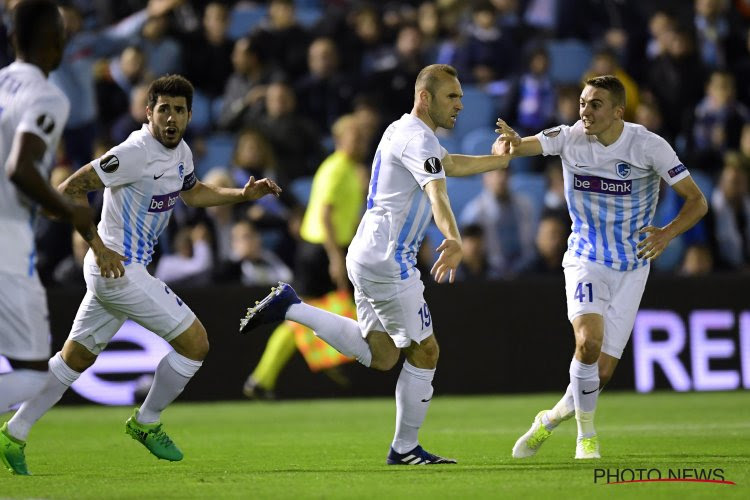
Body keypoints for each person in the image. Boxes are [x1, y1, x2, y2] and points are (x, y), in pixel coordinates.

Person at [0, 74, 281, 475]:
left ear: (188, 116)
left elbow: (192, 191)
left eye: (179, 111)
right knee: (196, 343)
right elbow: (71, 189)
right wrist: (98, 246)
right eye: (163, 109)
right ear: (148, 113)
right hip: (117, 268)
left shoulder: (181, 151)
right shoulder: (133, 153)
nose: (171, 118)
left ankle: (15, 432)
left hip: (124, 269)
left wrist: (241, 195)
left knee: (73, 359)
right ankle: (146, 422)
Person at [240, 64, 511, 465]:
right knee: (426, 352)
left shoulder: (403, 131)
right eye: (451, 97)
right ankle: (404, 448)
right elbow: (437, 193)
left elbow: (448, 164)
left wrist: (498, 162)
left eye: (461, 98)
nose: (459, 105)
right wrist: (452, 238)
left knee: (382, 356)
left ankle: (291, 307)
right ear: (425, 97)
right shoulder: (418, 141)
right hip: (389, 260)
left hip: (367, 253)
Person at [495, 75, 708, 460]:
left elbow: (697, 201)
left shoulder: (648, 145)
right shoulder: (570, 136)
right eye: (582, 103)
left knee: (602, 373)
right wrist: (511, 143)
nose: (585, 111)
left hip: (632, 266)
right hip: (586, 257)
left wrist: (667, 234)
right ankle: (586, 436)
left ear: (617, 112)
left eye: (595, 105)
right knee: (587, 341)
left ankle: (550, 418)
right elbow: (524, 146)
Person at [0, 0, 95, 476]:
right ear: (54, 42)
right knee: (34, 372)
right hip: (6, 245)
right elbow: (20, 167)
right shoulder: (48, 96)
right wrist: (71, 209)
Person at [243, 113, 368, 398]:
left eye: (362, 136)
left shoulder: (352, 169)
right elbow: (325, 215)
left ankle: (325, 355)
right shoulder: (334, 169)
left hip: (334, 247)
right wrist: (336, 257)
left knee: (325, 311)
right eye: (355, 136)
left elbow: (349, 213)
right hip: (321, 250)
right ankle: (263, 378)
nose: (361, 141)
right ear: (339, 140)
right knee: (300, 315)